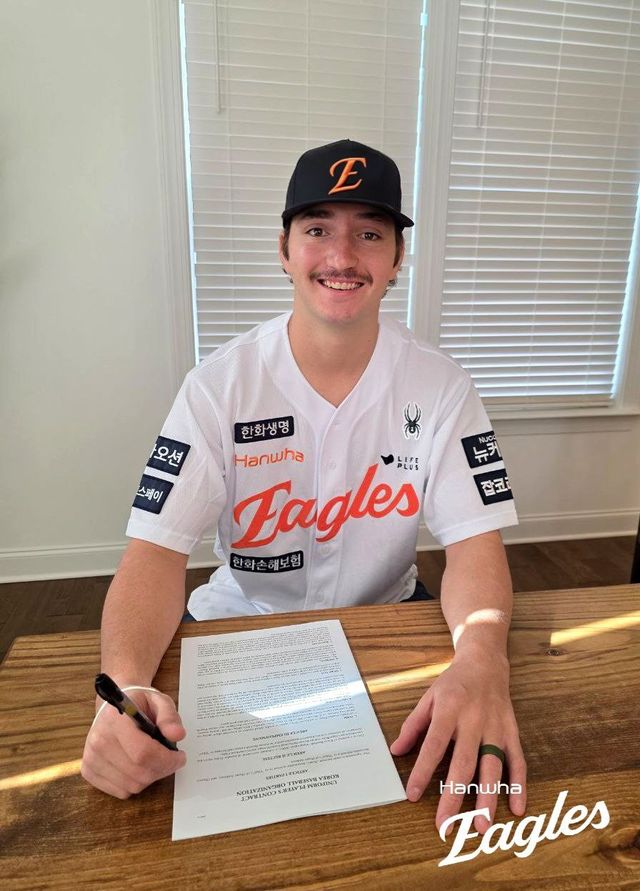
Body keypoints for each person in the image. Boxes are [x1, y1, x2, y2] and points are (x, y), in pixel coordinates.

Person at [81, 139, 527, 836]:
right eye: (318, 229)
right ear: (284, 250)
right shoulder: (216, 387)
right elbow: (156, 553)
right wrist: (125, 689)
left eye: (370, 234)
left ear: (397, 260)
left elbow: (475, 546)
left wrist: (482, 656)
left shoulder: (442, 387)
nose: (342, 256)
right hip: (242, 618)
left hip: (387, 616)